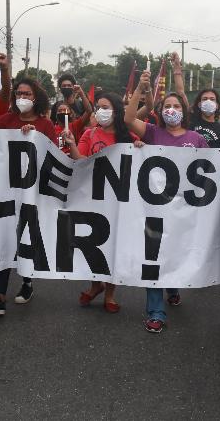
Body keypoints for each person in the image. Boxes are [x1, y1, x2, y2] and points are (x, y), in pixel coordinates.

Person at [124, 69, 209, 333]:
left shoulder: (197, 140)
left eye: (176, 106)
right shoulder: (152, 133)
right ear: (160, 111)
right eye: (167, 106)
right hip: (155, 208)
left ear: (184, 110)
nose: (172, 110)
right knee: (154, 254)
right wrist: (140, 88)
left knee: (176, 250)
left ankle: (173, 286)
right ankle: (156, 311)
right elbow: (127, 119)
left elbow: (208, 173)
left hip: (183, 210)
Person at [63, 91, 140, 313]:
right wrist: (72, 144)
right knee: (94, 243)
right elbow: (82, 161)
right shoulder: (90, 133)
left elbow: (141, 158)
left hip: (119, 201)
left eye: (106, 107)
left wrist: (141, 148)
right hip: (94, 199)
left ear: (116, 112)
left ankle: (110, 293)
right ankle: (96, 284)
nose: (100, 111)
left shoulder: (128, 137)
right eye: (98, 107)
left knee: (115, 245)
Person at [0, 76, 53, 315]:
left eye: (27, 94)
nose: (22, 98)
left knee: (25, 239)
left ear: (36, 98)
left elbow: (50, 158)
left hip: (31, 193)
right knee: (3, 240)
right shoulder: (5, 120)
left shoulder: (45, 125)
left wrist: (34, 138)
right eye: (19, 94)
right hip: (5, 191)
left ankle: (26, 282)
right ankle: (0, 297)